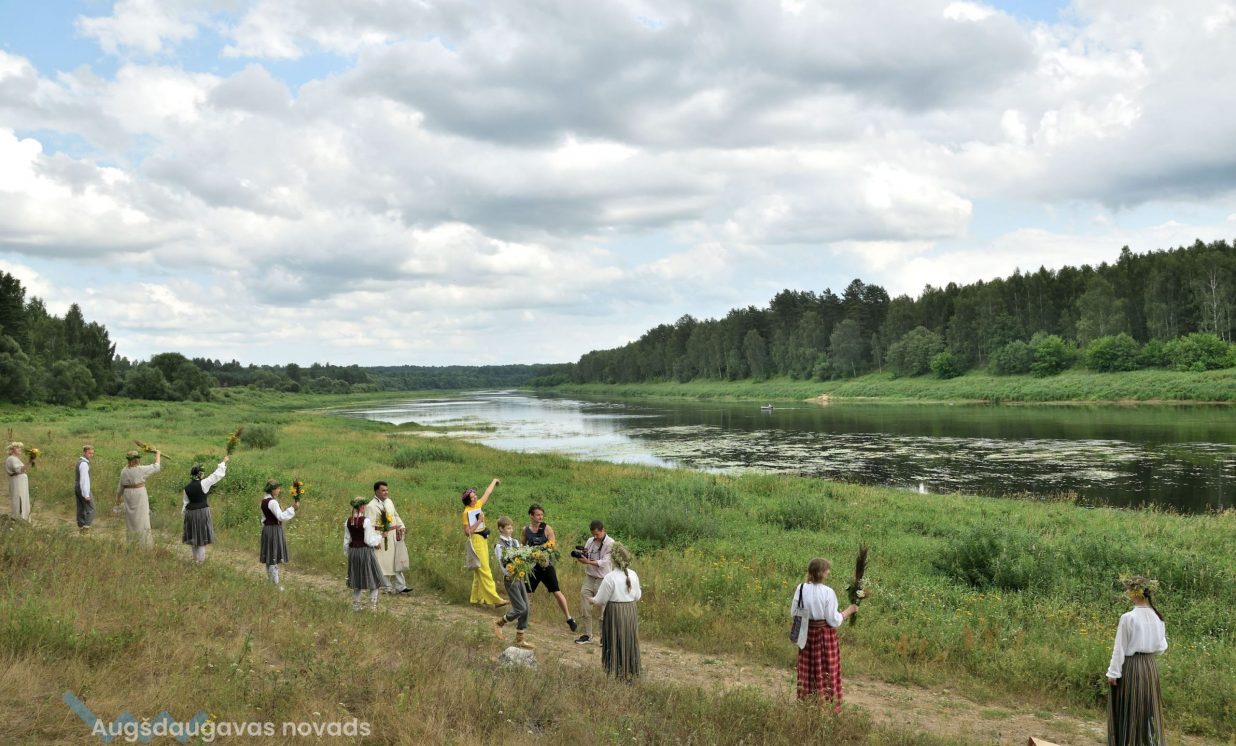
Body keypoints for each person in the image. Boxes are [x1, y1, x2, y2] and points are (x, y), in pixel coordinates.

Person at [1107, 574, 1168, 745]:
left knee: (1131, 707)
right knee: (1146, 709)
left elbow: (1119, 648)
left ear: (1134, 593)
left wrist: (1113, 673)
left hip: (1133, 667)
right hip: (1150, 667)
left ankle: (1129, 741)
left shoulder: (1128, 618)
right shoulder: (1158, 617)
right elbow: (1161, 647)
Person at [791, 558, 858, 713]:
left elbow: (794, 612)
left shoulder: (801, 588)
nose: (829, 572)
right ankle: (826, 706)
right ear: (821, 573)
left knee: (808, 670)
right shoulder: (828, 592)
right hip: (824, 637)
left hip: (806, 636)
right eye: (827, 569)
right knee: (826, 670)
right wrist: (849, 611)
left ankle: (807, 703)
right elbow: (833, 620)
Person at [589, 543, 642, 679]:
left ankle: (615, 670)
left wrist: (591, 600)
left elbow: (601, 600)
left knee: (615, 639)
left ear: (613, 560)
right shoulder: (633, 574)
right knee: (629, 640)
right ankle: (630, 669)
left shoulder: (610, 577)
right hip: (630, 611)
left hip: (615, 612)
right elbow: (637, 596)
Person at [523, 503, 577, 632]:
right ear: (531, 515)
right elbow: (523, 546)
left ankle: (569, 618)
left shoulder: (547, 528)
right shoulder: (525, 530)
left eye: (542, 515)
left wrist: (542, 551)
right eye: (538, 515)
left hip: (546, 566)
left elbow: (552, 545)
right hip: (532, 567)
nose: (540, 517)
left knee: (556, 592)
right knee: (527, 594)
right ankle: (524, 619)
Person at [461, 479, 507, 607]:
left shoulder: (478, 505)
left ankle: (476, 598)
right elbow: (467, 532)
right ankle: (495, 599)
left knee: (479, 570)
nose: (475, 497)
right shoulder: (466, 512)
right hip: (476, 539)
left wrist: (494, 481)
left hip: (483, 539)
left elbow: (487, 493)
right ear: (468, 501)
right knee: (485, 569)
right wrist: (479, 520)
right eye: (472, 497)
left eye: (475, 495)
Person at [493, 516, 533, 648]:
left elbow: (521, 556)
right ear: (501, 529)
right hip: (510, 579)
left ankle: (520, 638)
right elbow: (503, 563)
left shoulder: (515, 542)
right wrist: (511, 571)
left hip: (519, 577)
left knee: (526, 608)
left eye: (511, 527)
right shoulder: (499, 545)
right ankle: (499, 623)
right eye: (508, 528)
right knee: (520, 608)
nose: (511, 530)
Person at [365, 481, 411, 594]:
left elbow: (395, 515)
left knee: (396, 560)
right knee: (383, 563)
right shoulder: (371, 506)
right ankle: (387, 587)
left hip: (393, 536)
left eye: (387, 490)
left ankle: (401, 586)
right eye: (383, 490)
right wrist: (374, 540)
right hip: (381, 537)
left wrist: (401, 526)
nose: (386, 492)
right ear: (377, 492)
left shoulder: (389, 502)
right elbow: (369, 526)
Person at [181, 456, 229, 563]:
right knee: (201, 539)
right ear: (200, 474)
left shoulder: (186, 488)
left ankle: (195, 560)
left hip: (190, 514)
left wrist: (186, 515)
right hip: (202, 513)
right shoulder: (204, 483)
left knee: (194, 539)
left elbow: (185, 503)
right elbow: (216, 475)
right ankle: (200, 562)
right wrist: (224, 462)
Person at [574, 519, 613, 644]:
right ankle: (587, 634)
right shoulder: (590, 541)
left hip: (603, 579)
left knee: (603, 608)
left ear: (603, 530)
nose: (595, 537)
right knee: (585, 605)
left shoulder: (610, 543)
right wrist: (581, 558)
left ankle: (604, 637)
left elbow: (605, 562)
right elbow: (586, 555)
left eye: (597, 534)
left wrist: (588, 562)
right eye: (593, 534)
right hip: (590, 577)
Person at [344, 497, 384, 611]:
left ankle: (356, 606)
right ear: (362, 507)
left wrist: (349, 553)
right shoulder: (365, 521)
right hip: (365, 552)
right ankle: (372, 607)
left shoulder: (348, 521)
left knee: (357, 579)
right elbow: (368, 540)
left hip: (353, 552)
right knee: (375, 578)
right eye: (364, 506)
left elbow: (347, 540)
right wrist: (380, 537)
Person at [116, 449, 161, 546]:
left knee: (131, 519)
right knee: (142, 517)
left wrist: (118, 499)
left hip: (128, 495)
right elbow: (156, 467)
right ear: (137, 460)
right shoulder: (140, 469)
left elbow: (120, 487)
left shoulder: (124, 471)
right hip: (139, 494)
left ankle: (132, 542)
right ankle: (144, 543)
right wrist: (158, 454)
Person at [260, 479, 298, 589]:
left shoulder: (264, 500)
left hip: (268, 529)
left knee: (270, 557)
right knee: (273, 557)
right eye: (277, 488)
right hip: (273, 530)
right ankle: (275, 585)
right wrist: (293, 508)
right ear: (272, 490)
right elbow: (280, 516)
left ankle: (272, 583)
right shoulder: (272, 502)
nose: (279, 490)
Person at [5, 442, 30, 522]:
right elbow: (19, 470)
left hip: (20, 481)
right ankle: (19, 519)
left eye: (20, 448)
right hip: (17, 482)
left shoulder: (15, 459)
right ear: (12, 450)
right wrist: (30, 461)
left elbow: (22, 469)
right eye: (17, 448)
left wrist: (30, 461)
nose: (20, 449)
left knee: (22, 499)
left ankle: (22, 518)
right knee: (19, 499)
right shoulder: (12, 459)